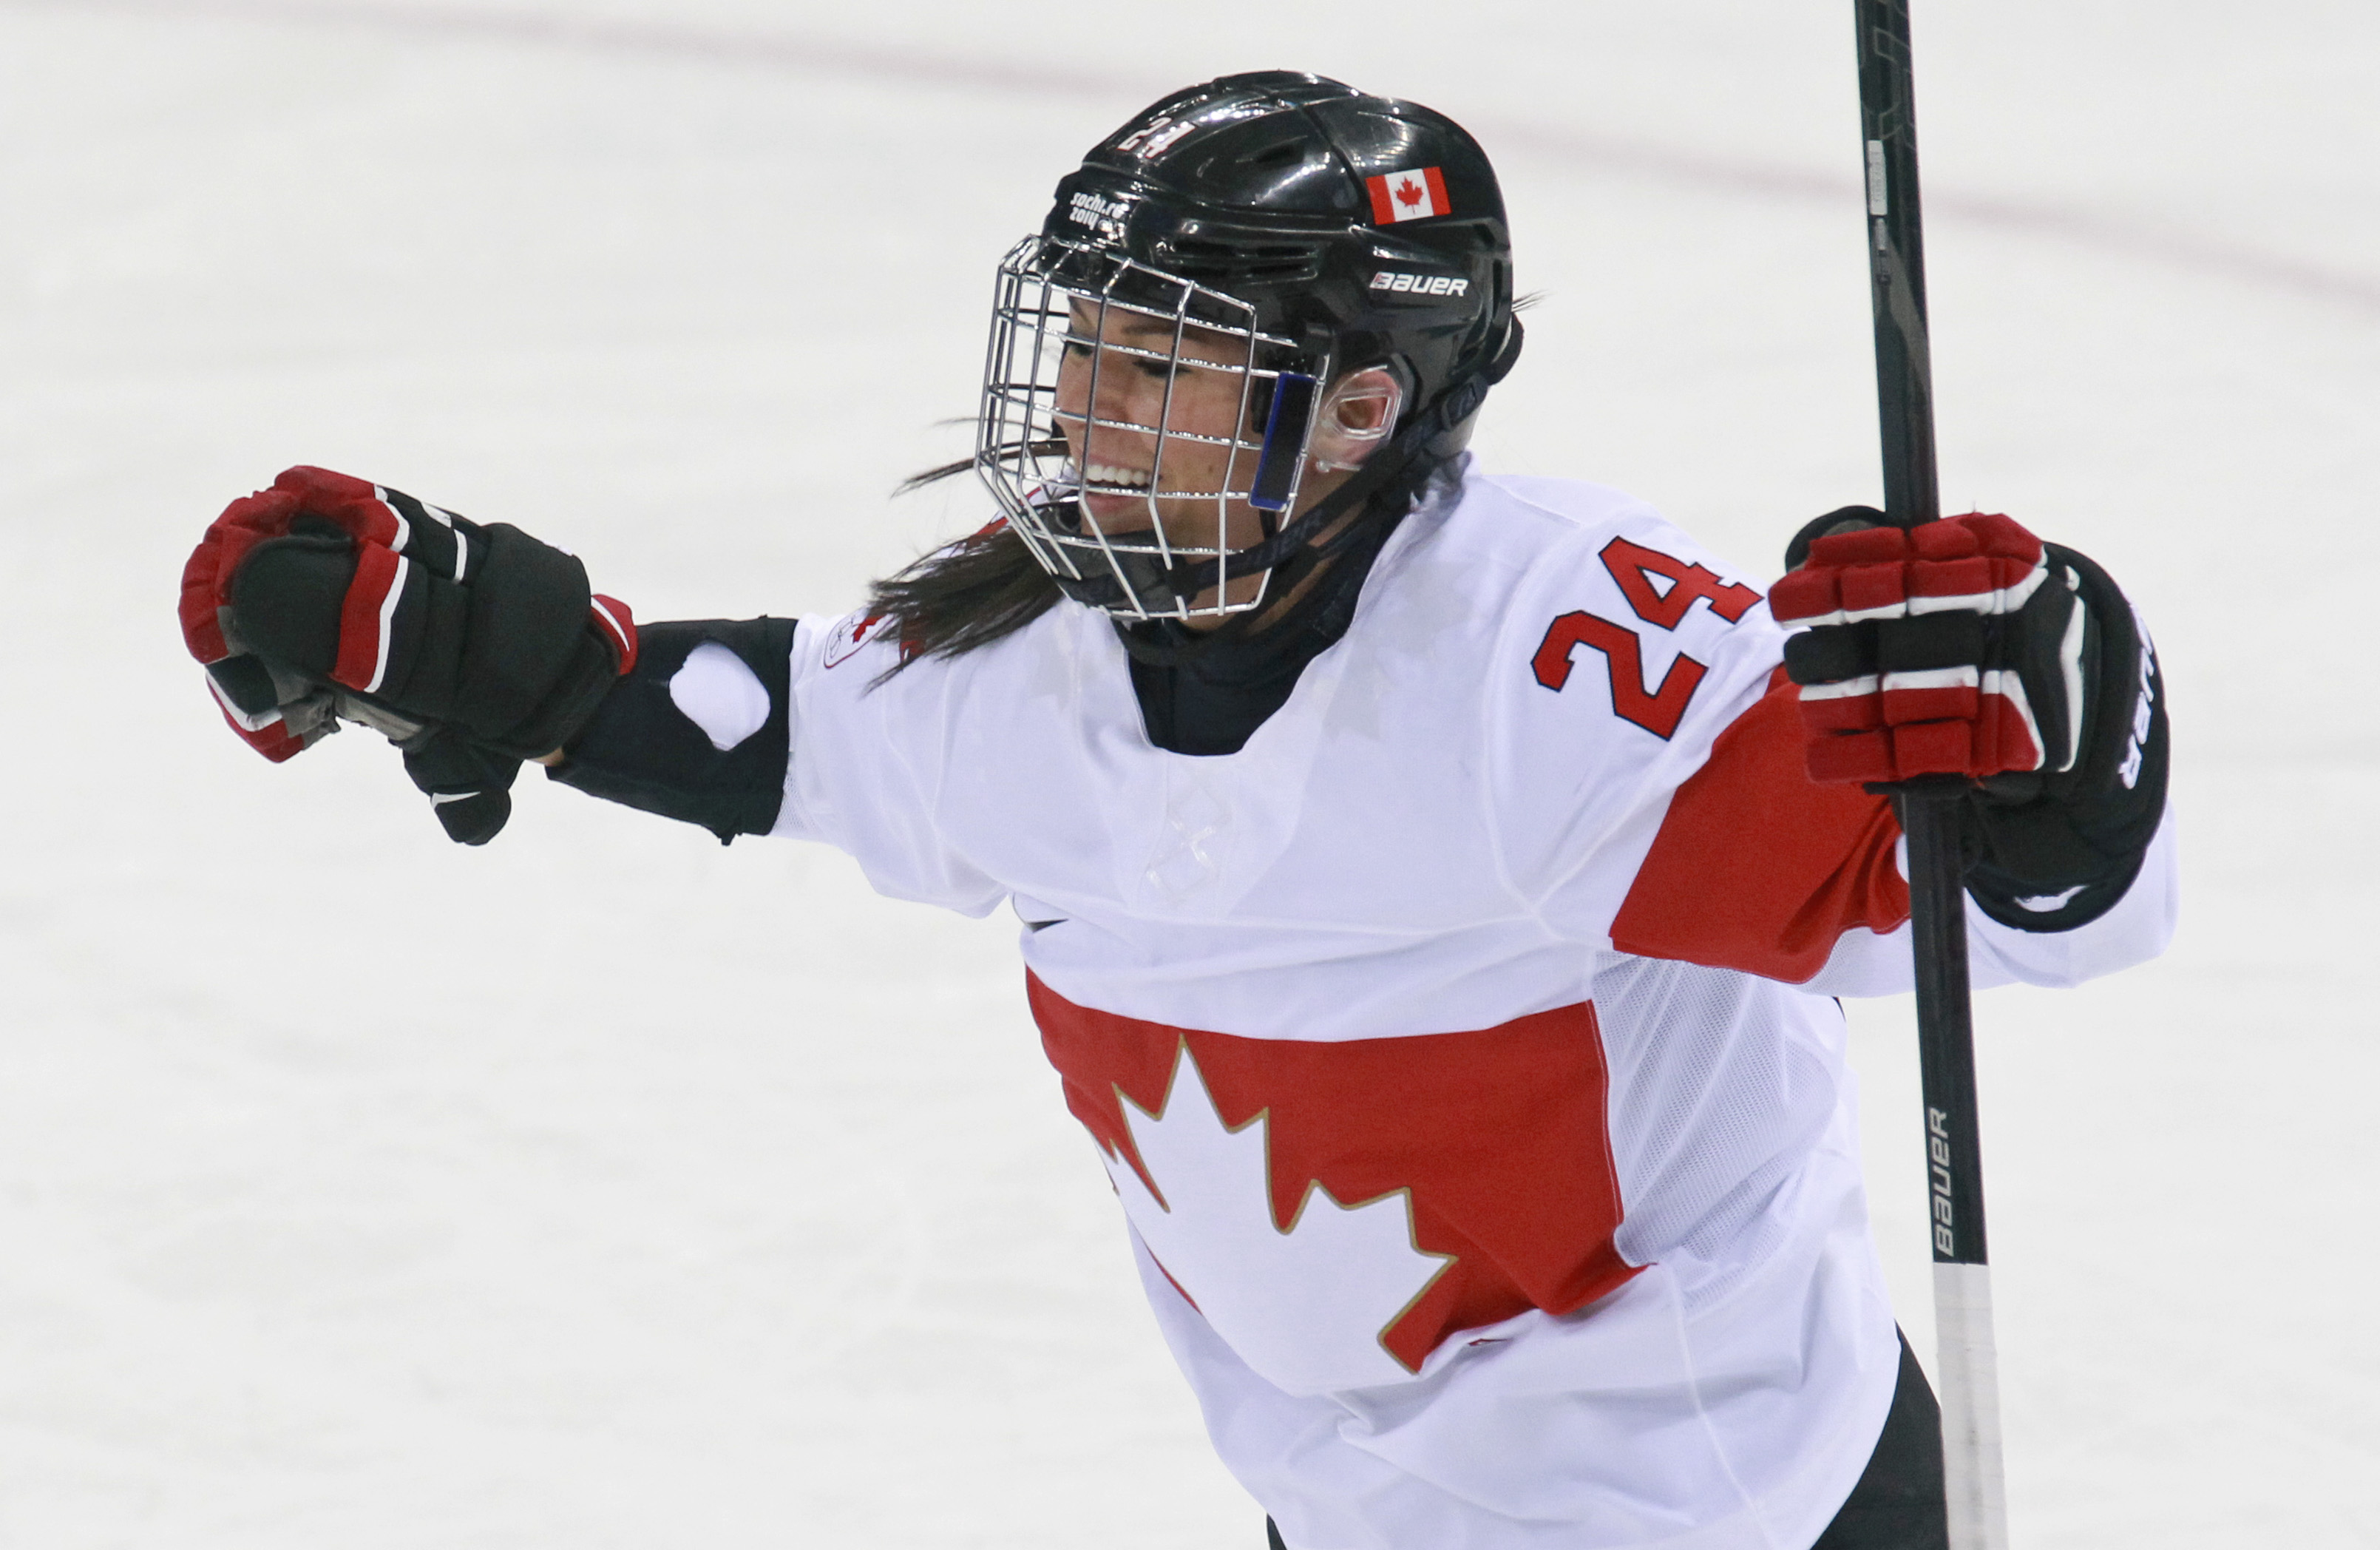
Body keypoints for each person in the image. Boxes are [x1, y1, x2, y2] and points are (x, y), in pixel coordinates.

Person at [177, 72, 2173, 1550]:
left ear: (1360, 407)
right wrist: (507, 663)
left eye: (1163, 367)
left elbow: (2014, 913)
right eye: (1088, 349)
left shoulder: (1549, 674)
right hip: (1344, 1504)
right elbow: (794, 731)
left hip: (1717, 1504)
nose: (1084, 411)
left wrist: (2059, 751)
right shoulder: (1023, 662)